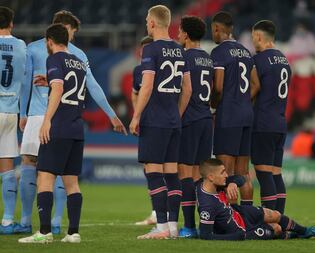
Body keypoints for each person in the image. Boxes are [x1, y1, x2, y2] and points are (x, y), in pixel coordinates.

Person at [16, 10, 126, 235]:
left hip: (47, 117)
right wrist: (112, 115)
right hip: (74, 122)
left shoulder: (39, 49)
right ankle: (61, 225)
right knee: (68, 177)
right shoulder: (78, 58)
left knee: (36, 169)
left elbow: (31, 84)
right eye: (73, 32)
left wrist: (23, 114)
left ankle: (28, 222)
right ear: (65, 29)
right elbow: (90, 86)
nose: (73, 36)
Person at [129, 5, 192, 239]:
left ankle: (162, 227)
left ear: (153, 23)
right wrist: (177, 113)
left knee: (154, 172)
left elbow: (147, 86)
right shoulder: (179, 50)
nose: (146, 23)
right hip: (173, 121)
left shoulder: (151, 50)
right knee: (172, 173)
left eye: (147, 20)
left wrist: (136, 116)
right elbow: (188, 89)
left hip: (154, 120)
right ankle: (173, 227)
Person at [197, 158, 315, 240]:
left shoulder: (216, 183)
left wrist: (233, 183)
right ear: (211, 177)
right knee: (276, 228)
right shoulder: (206, 205)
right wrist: (235, 237)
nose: (226, 175)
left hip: (240, 213)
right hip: (241, 231)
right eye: (222, 172)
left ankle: (306, 231)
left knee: (275, 214)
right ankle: (293, 235)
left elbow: (241, 179)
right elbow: (205, 235)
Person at [210, 11, 258, 206]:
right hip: (247, 114)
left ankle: (229, 219)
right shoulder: (246, 52)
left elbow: (219, 87)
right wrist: (243, 101)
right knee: (243, 173)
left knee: (225, 172)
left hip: (228, 115)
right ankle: (248, 218)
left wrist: (213, 105)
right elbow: (256, 85)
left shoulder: (219, 52)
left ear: (217, 29)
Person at [177, 15, 213, 238]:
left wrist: (176, 118)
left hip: (189, 119)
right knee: (200, 176)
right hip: (206, 119)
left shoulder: (184, 57)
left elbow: (185, 90)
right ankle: (204, 223)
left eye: (180, 31)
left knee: (185, 174)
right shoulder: (207, 58)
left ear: (187, 35)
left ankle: (189, 226)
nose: (178, 35)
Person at [250, 20, 291, 214]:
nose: (252, 43)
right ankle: (280, 219)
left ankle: (271, 219)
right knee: (276, 174)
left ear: (259, 36)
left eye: (253, 38)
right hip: (280, 123)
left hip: (263, 122)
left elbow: (253, 89)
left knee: (264, 173)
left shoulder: (259, 60)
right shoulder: (284, 60)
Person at [0, 6, 26, 234]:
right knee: (7, 167)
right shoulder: (20, 46)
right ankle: (7, 221)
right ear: (11, 24)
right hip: (10, 112)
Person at [132, 35, 158, 226]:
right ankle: (157, 212)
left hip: (160, 122)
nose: (143, 53)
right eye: (142, 50)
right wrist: (137, 114)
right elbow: (135, 93)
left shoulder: (161, 69)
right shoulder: (138, 71)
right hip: (147, 123)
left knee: (160, 169)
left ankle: (163, 215)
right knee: (148, 168)